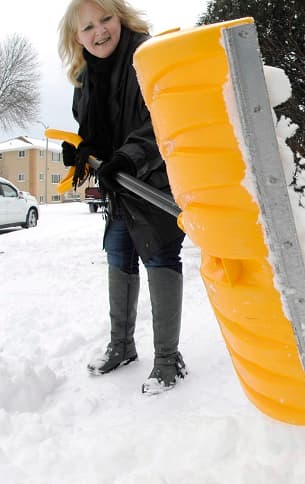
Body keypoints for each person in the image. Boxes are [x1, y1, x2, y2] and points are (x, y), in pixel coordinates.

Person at [58, 0, 187, 394]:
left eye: (106, 19)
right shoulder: (85, 79)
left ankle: (168, 359)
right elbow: (94, 132)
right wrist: (81, 149)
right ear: (75, 38)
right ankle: (123, 346)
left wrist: (126, 158)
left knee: (160, 257)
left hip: (153, 182)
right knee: (118, 256)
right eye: (87, 28)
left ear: (122, 18)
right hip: (119, 188)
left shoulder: (147, 58)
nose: (99, 32)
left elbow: (163, 119)